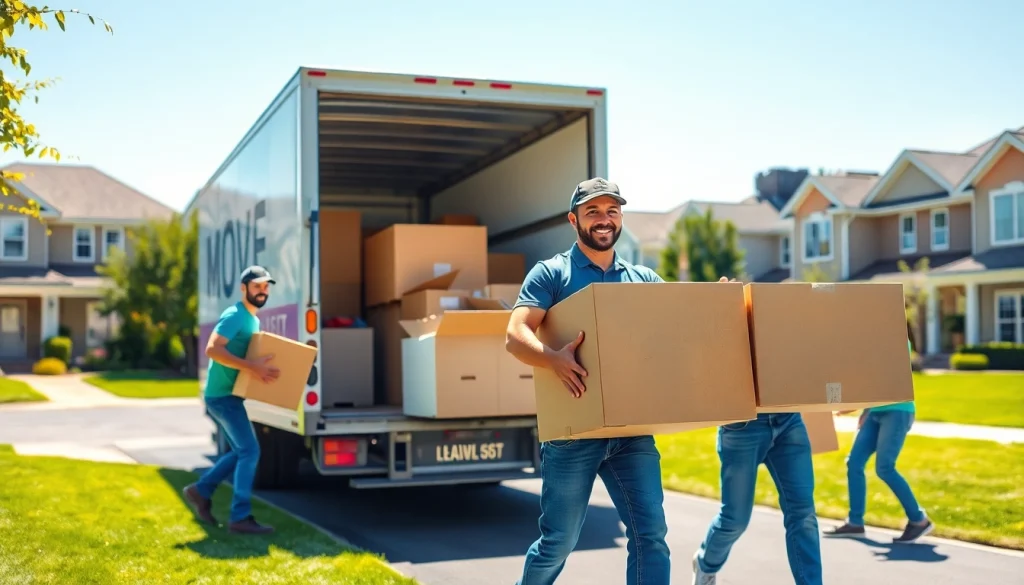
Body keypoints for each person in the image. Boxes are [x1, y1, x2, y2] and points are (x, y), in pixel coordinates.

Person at [505, 178, 671, 585]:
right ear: (573, 219)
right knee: (558, 542)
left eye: (611, 211)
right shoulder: (551, 274)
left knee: (651, 536)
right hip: (573, 434)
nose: (604, 219)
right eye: (593, 211)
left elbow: (682, 322)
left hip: (631, 431)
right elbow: (515, 335)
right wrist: (553, 359)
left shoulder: (643, 279)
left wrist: (715, 302)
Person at [183, 265, 281, 535]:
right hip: (222, 397)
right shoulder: (235, 315)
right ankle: (240, 516)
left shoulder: (253, 320)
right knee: (250, 451)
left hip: (228, 395)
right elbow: (212, 349)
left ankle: (200, 490)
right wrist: (252, 367)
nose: (262, 291)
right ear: (244, 288)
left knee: (241, 450)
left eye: (265, 286)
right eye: (256, 286)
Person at [825, 323, 932, 543]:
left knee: (884, 467)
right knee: (854, 463)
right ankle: (855, 523)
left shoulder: (898, 342)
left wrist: (853, 407)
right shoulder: (869, 345)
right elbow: (869, 379)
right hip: (875, 412)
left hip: (897, 410)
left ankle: (919, 519)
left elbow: (885, 379)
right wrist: (866, 410)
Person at [692, 409, 822, 584]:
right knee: (734, 520)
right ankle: (706, 565)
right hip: (741, 425)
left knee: (803, 514)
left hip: (789, 420)